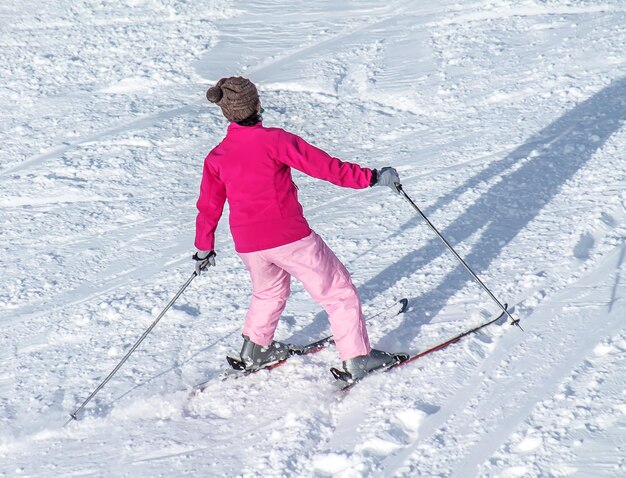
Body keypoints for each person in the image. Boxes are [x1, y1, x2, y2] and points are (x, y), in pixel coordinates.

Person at [193, 76, 402, 380]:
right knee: (338, 292)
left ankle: (255, 349)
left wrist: (203, 248)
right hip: (289, 238)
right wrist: (371, 177)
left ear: (226, 113)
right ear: (257, 105)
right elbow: (326, 167)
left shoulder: (218, 156)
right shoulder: (275, 140)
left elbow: (208, 206)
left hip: (250, 245)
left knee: (268, 292)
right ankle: (357, 357)